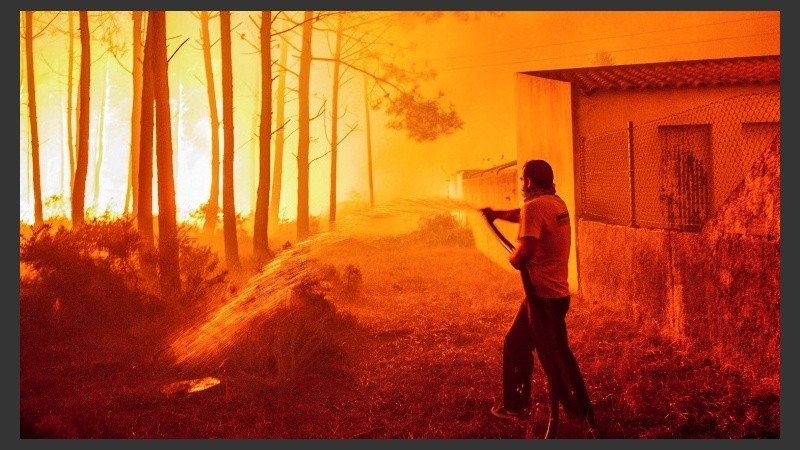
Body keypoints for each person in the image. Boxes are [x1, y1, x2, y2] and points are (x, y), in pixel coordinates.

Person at [481, 159, 596, 438]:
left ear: (529, 181)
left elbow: (524, 254)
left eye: (522, 180)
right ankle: (563, 408)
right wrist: (496, 214)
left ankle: (575, 411)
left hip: (542, 296)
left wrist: (512, 256)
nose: (521, 185)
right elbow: (523, 214)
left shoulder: (535, 207)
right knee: (530, 346)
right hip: (555, 295)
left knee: (552, 355)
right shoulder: (555, 203)